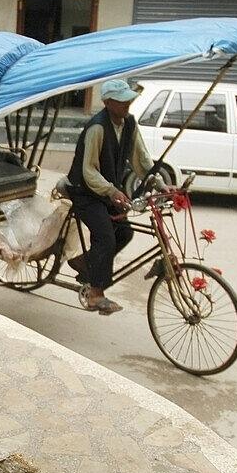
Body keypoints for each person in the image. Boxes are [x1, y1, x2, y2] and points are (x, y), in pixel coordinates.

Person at [65, 78, 155, 316]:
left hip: (105, 191)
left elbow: (142, 161)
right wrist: (112, 190)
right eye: (121, 101)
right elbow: (88, 170)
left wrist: (158, 181)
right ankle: (96, 295)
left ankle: (86, 263)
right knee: (105, 236)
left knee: (125, 231)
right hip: (85, 191)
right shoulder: (97, 127)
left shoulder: (129, 124)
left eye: (128, 100)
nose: (127, 105)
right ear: (107, 102)